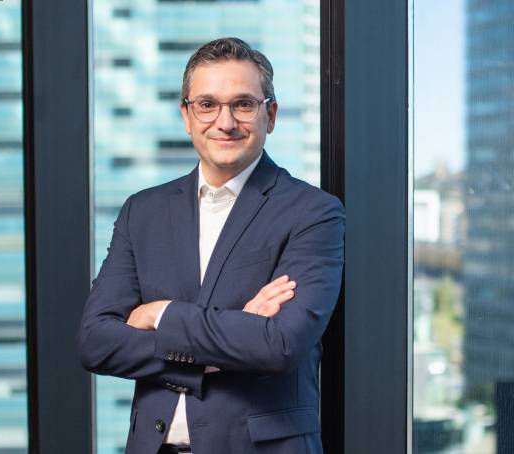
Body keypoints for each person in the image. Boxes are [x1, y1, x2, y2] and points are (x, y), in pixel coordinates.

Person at [78, 37, 344, 454]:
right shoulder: (142, 212)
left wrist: (161, 314)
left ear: (270, 115)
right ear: (186, 115)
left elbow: (280, 345)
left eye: (243, 104)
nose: (225, 121)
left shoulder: (313, 212)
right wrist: (231, 340)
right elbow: (96, 342)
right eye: (207, 104)